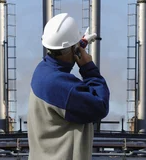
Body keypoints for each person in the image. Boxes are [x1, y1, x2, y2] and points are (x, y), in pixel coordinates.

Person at [27, 13, 110, 160]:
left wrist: (77, 45)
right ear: (73, 50)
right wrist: (88, 69)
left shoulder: (42, 71)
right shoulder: (63, 87)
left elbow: (61, 56)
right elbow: (100, 105)